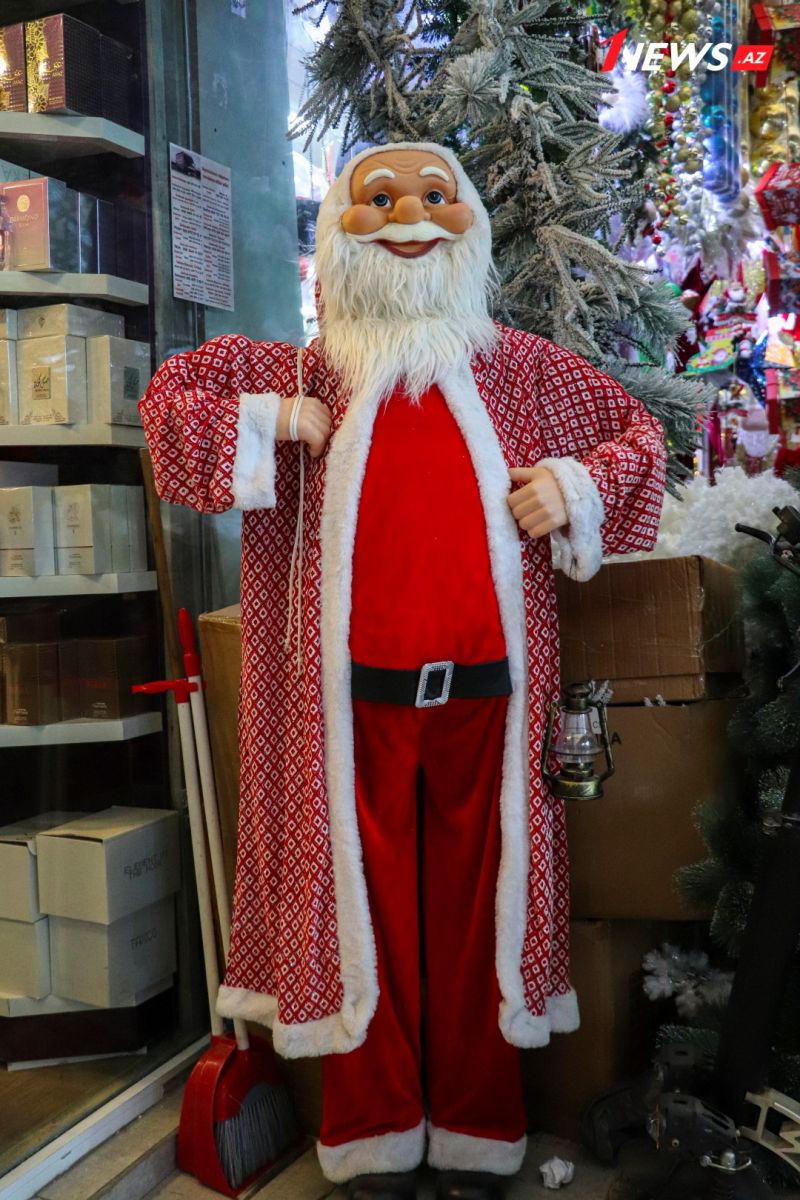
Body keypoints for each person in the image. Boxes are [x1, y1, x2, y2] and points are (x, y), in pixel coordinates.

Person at [140, 142, 666, 1200]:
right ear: (337, 230)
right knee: (359, 918)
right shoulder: (303, 372)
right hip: (346, 708)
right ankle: (373, 1131)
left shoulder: (520, 370)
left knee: (479, 920)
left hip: (489, 701)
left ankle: (475, 1127)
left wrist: (572, 485)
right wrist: (267, 419)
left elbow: (638, 439)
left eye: (434, 196)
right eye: (377, 200)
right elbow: (170, 406)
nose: (407, 217)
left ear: (470, 220)